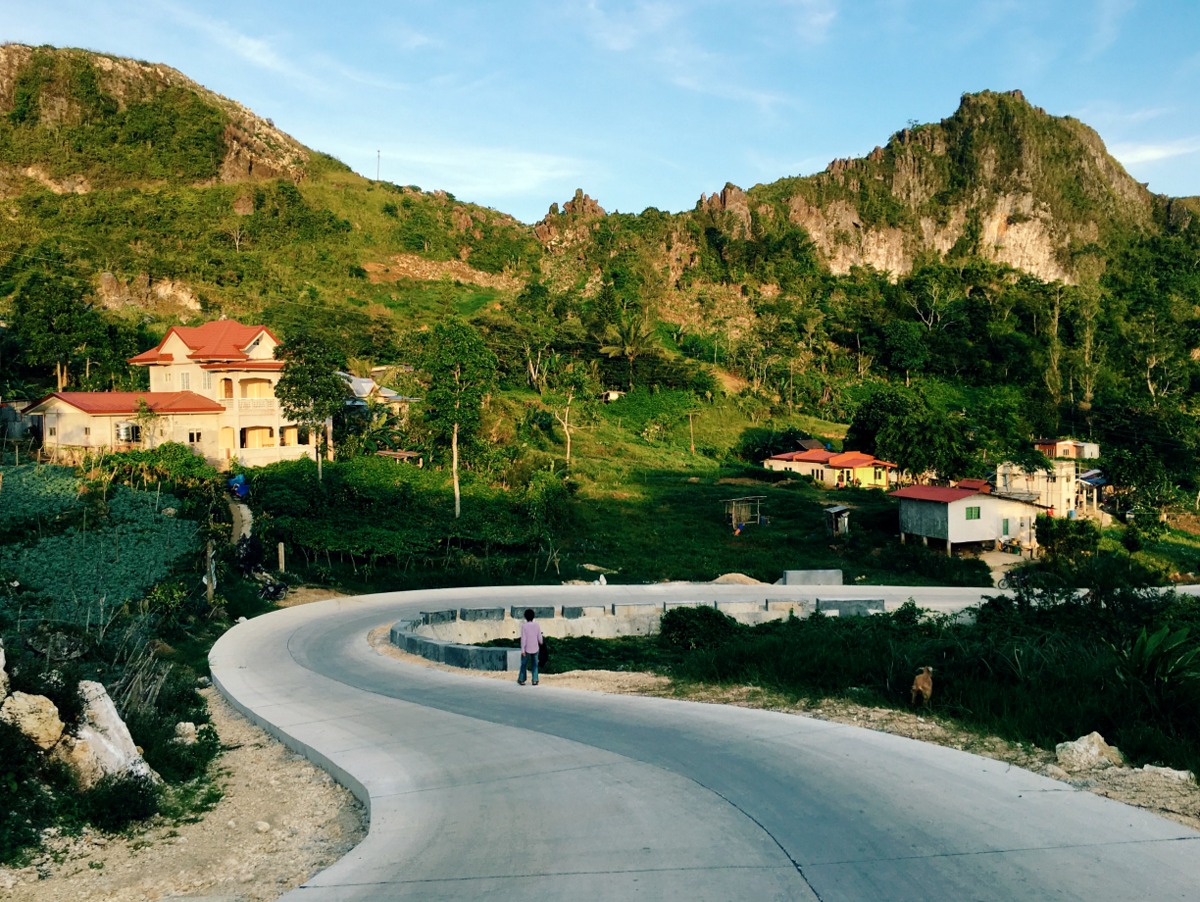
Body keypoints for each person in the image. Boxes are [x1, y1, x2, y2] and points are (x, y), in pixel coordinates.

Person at [517, 608, 544, 686]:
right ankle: (535, 680)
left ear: (525, 617)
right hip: (535, 648)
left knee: (523, 664)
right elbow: (539, 637)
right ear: (533, 617)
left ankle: (522, 679)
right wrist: (541, 643)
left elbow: (523, 639)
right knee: (535, 664)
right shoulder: (537, 625)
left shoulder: (524, 626)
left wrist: (522, 650)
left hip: (526, 649)